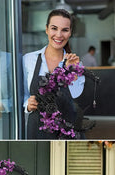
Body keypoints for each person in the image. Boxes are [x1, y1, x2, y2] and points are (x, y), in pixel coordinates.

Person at [23, 9, 85, 139]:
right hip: (37, 129)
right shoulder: (28, 59)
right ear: (46, 29)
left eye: (64, 30)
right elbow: (21, 95)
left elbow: (75, 95)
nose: (59, 34)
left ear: (70, 33)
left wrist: (71, 71)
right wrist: (27, 105)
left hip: (67, 128)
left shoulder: (74, 62)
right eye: (54, 28)